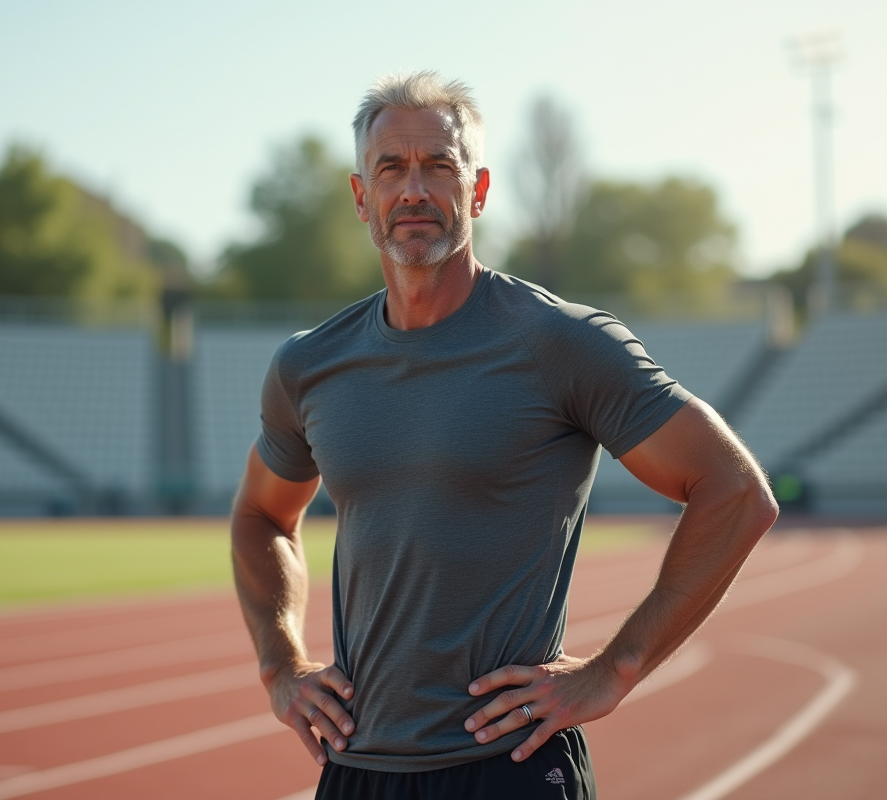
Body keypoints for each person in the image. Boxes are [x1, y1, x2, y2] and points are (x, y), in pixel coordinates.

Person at [231, 71, 779, 800]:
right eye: (391, 168)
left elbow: (737, 492)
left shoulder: (560, 343)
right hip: (357, 769)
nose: (415, 190)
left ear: (478, 190)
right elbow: (262, 515)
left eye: (440, 166)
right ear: (362, 197)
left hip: (509, 771)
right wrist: (281, 666)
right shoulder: (310, 364)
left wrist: (611, 671)